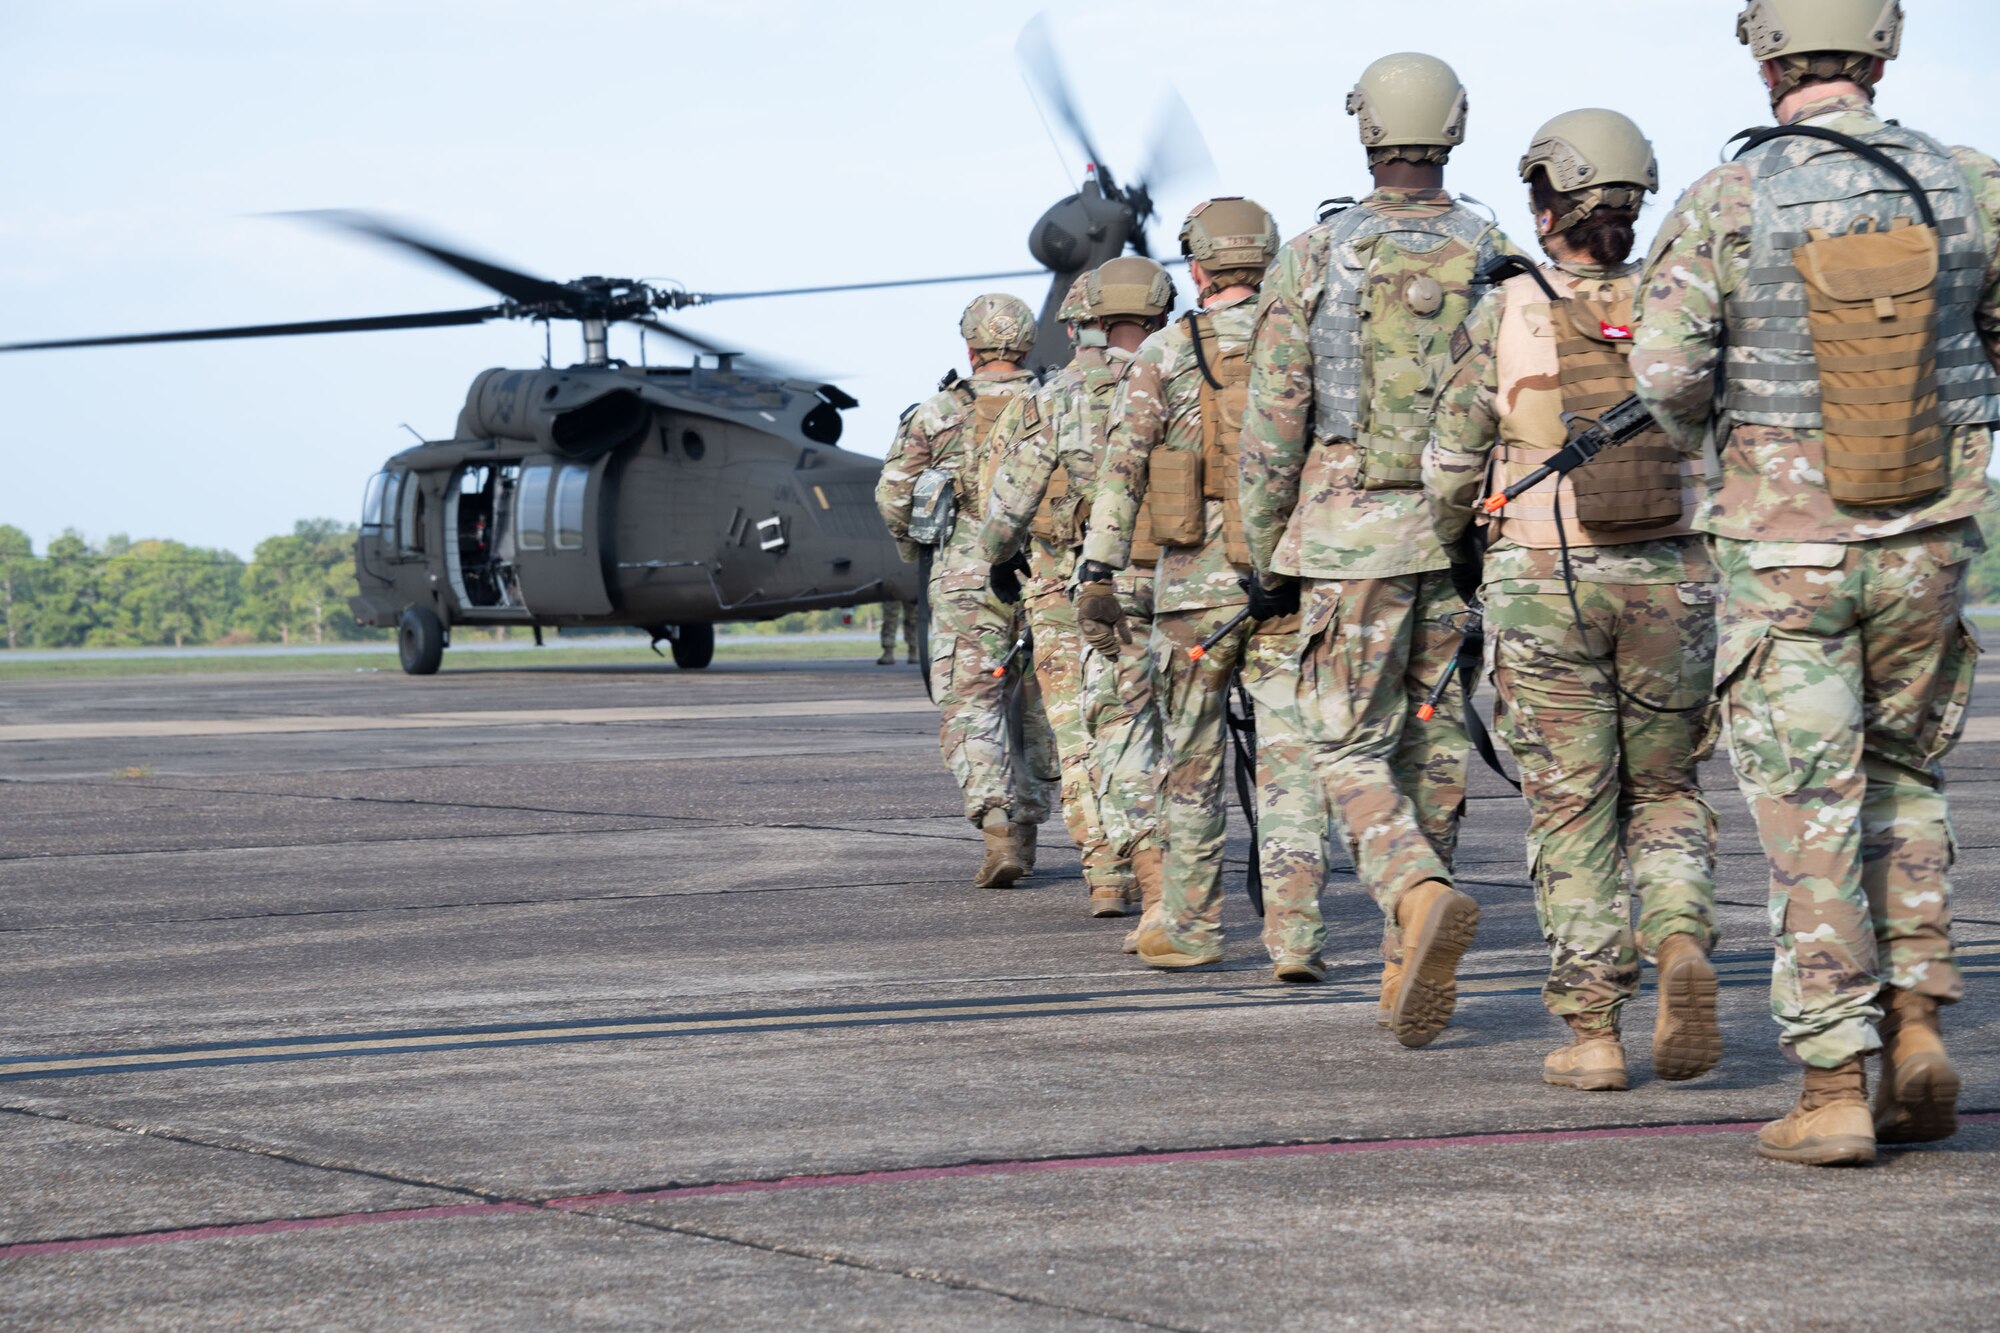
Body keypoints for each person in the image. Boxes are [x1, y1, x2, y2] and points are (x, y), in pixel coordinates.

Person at [1633, 0, 1998, 1165]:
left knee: (1808, 816)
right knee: (1906, 780)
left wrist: (1730, 441)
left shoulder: (1726, 198)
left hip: (1783, 553)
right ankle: (1916, 1021)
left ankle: (1833, 1082)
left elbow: (1665, 370)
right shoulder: (1968, 183)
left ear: (1768, 55)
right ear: (1879, 49)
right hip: (1927, 545)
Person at [1429, 109, 1721, 1092]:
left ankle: (1593, 1030)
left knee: (1569, 806)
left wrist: (1452, 527)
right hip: (1671, 576)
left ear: (1544, 202)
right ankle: (1679, 938)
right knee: (1666, 789)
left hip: (1541, 579)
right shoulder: (1681, 297)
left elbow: (1449, 458)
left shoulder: (1505, 307)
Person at [1240, 53, 1520, 1045]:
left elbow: (1274, 415)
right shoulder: (1493, 249)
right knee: (1435, 739)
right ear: (1453, 124)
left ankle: (1409, 890)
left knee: (1344, 741)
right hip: (1457, 539)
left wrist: (1262, 554)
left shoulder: (1315, 252)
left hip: (1345, 532)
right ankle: (1408, 954)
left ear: (1363, 126)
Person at [1078, 198, 1281, 970]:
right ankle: (1297, 931)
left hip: (1195, 588)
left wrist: (1098, 569)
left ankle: (1190, 926)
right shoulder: (1300, 337)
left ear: (1195, 267)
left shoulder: (1162, 354)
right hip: (1287, 578)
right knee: (1289, 760)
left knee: (1191, 761)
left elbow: (1122, 471)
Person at [978, 273, 1164, 917]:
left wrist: (1000, 558)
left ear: (1074, 326)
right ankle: (1161, 864)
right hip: (1165, 579)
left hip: (1063, 589)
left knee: (1080, 730)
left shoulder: (1050, 398)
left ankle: (1107, 873)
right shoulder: (1175, 377)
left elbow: (1006, 503)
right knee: (1156, 729)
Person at [876, 294, 1059, 887]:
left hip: (965, 578)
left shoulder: (934, 413)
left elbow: (893, 495)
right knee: (1044, 709)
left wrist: (918, 551)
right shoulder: (1057, 401)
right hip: (1048, 572)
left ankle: (998, 825)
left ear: (970, 347)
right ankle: (1039, 839)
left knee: (972, 705)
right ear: (1026, 344)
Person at [877, 598, 920, 665]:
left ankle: (913, 650)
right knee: (889, 618)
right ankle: (888, 651)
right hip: (892, 590)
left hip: (911, 589)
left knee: (913, 619)